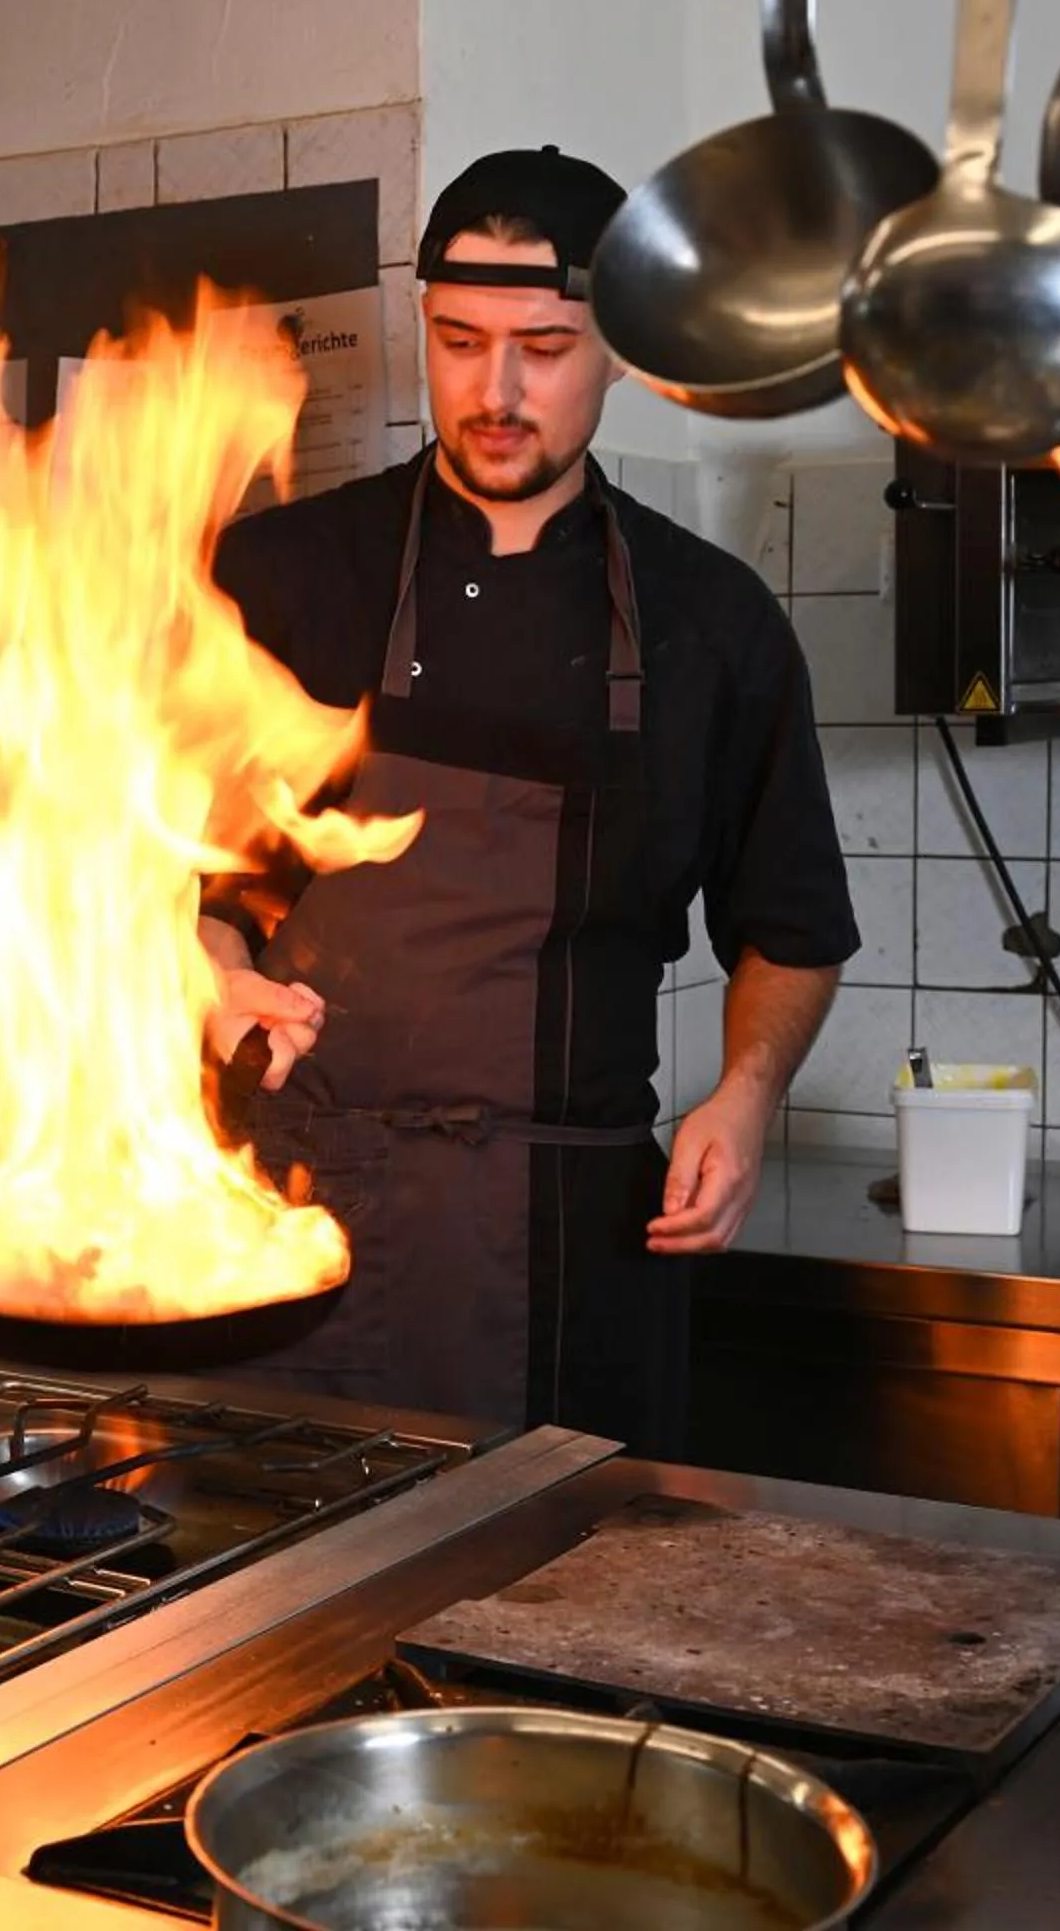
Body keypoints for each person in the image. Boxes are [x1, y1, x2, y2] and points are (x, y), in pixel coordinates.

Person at [198, 146, 857, 1455]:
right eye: (459, 341)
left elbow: (790, 928)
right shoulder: (281, 580)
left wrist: (746, 1095)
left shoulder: (709, 626)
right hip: (281, 1225)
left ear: (618, 348)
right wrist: (206, 970)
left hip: (575, 1249)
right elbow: (159, 879)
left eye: (545, 348)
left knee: (552, 1617)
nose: (496, 392)